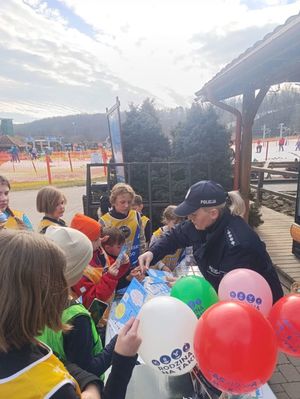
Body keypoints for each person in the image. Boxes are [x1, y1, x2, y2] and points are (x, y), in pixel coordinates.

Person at [138, 180, 284, 303]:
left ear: (213, 213)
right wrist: (152, 252)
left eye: (193, 214)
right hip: (226, 298)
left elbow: (228, 290)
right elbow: (176, 235)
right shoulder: (201, 223)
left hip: (258, 306)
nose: (189, 218)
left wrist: (190, 287)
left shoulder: (239, 245)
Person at [0, 229, 101, 398]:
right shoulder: (52, 389)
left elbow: (47, 355)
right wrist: (121, 357)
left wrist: (87, 380)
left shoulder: (17, 342)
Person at [40, 225, 141, 394]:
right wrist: (117, 344)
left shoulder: (36, 300)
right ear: (75, 271)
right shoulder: (77, 318)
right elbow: (88, 371)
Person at [70, 213, 131, 309]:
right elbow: (91, 300)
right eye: (96, 239)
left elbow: (115, 273)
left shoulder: (99, 251)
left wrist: (122, 264)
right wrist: (110, 277)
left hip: (107, 308)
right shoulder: (78, 270)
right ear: (84, 241)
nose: (101, 241)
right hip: (95, 317)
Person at [100, 183, 146, 268]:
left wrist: (142, 258)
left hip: (134, 262)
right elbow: (101, 247)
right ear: (114, 202)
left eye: (129, 202)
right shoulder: (104, 221)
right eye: (122, 202)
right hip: (115, 266)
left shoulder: (136, 215)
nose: (126, 205)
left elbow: (142, 239)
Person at [150, 205, 186, 272]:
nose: (177, 226)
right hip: (157, 272)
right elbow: (151, 254)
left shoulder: (182, 234)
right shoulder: (157, 235)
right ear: (167, 220)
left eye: (180, 223)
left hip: (173, 271)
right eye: (175, 223)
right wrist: (162, 267)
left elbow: (186, 254)